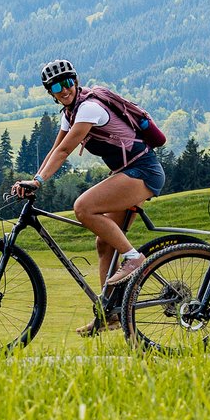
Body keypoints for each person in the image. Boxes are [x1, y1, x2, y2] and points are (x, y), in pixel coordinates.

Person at [10, 58, 168, 329]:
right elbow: (53, 150)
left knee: (83, 207)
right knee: (103, 244)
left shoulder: (89, 108)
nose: (64, 89)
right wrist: (35, 179)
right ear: (50, 93)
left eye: (67, 82)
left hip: (143, 171)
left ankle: (134, 258)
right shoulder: (68, 114)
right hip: (127, 172)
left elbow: (64, 151)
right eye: (56, 86)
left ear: (76, 80)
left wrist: (37, 182)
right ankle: (111, 314)